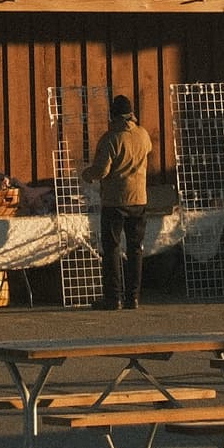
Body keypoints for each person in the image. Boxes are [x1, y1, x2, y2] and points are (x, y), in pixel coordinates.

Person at [84, 95, 153, 310]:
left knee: (112, 248)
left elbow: (101, 171)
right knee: (135, 249)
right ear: (131, 114)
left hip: (115, 201)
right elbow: (148, 150)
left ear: (112, 116)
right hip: (139, 199)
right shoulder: (143, 135)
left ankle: (113, 298)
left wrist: (86, 174)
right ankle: (133, 297)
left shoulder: (110, 138)